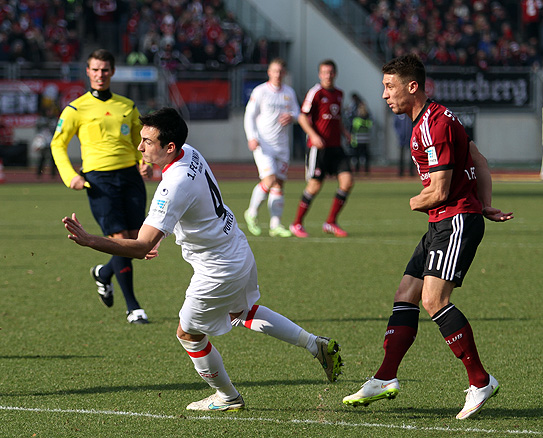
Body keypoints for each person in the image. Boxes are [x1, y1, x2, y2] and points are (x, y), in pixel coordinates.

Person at [62, 107, 343, 411]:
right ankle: (315, 345)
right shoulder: (190, 153)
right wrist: (159, 235)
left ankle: (228, 397)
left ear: (170, 147)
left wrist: (91, 240)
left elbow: (141, 246)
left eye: (147, 142)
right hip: (236, 247)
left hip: (217, 269)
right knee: (243, 312)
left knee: (188, 335)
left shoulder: (173, 184)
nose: (140, 147)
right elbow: (190, 207)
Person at [342, 54, 513, 419]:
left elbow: (439, 191)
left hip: (455, 221)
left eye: (390, 87)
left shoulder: (434, 125)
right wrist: (484, 204)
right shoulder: (436, 118)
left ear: (412, 86)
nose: (385, 95)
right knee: (406, 294)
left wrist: (414, 201)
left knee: (434, 300)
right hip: (445, 220)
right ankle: (385, 377)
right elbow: (479, 159)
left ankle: (481, 381)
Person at [51, 49, 152, 324]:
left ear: (112, 72)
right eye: (95, 69)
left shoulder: (127, 106)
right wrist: (69, 175)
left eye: (105, 69)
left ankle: (104, 273)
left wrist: (145, 161)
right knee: (119, 238)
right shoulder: (75, 108)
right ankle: (133, 308)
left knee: (137, 242)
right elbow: (58, 144)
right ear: (87, 71)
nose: (100, 74)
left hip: (130, 177)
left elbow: (141, 141)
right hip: (99, 180)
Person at [290, 60, 353, 238]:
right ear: (320, 74)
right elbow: (302, 117)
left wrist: (344, 132)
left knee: (347, 182)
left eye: (331, 72)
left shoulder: (339, 94)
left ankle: (331, 222)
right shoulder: (316, 93)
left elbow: (336, 117)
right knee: (315, 185)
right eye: (325, 72)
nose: (328, 75)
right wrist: (314, 135)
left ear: (335, 74)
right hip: (319, 149)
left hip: (336, 147)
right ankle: (296, 223)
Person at [242, 58, 299, 238]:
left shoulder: (289, 92)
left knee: (279, 184)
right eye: (274, 71)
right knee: (270, 179)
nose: (277, 74)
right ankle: (251, 212)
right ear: (269, 72)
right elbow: (249, 116)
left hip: (282, 146)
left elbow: (298, 113)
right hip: (263, 145)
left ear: (284, 73)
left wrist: (292, 116)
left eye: (280, 71)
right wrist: (251, 137)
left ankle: (275, 225)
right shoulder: (260, 91)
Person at [349, 102, 372, 174]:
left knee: (357, 155)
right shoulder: (368, 120)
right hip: (366, 140)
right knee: (365, 155)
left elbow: (352, 129)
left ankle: (357, 169)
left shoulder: (356, 120)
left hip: (358, 140)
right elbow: (370, 126)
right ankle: (366, 170)